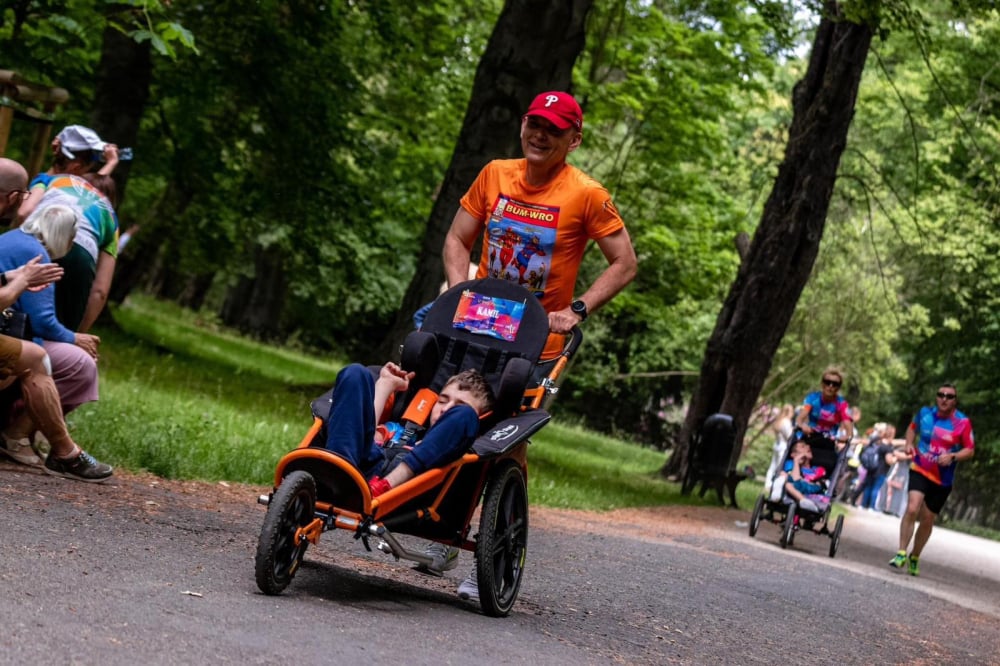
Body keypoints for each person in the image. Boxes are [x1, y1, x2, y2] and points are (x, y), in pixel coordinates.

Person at [436, 91, 638, 598]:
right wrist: (460, 290)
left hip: (535, 337)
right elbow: (458, 239)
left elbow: (625, 262)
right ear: (523, 124)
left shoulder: (587, 194)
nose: (540, 134)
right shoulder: (494, 175)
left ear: (574, 138)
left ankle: (488, 554)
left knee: (508, 438)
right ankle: (439, 523)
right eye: (534, 122)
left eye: (554, 127)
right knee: (435, 406)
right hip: (477, 321)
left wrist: (577, 310)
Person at [0, 200, 102, 425]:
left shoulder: (13, 237)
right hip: (9, 334)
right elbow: (42, 322)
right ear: (65, 236)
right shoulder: (38, 255)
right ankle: (17, 431)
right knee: (82, 365)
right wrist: (75, 338)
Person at [324, 363, 494, 497]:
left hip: (404, 489)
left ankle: (384, 486)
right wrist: (386, 384)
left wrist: (463, 415)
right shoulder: (401, 430)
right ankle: (337, 468)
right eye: (442, 401)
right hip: (357, 473)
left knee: (465, 415)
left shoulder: (458, 453)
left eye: (457, 407)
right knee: (355, 372)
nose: (445, 409)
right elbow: (362, 431)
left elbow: (462, 425)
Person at [889, 384, 974, 576]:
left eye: (949, 396)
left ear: (955, 400)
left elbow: (969, 449)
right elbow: (912, 428)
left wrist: (953, 456)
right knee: (912, 508)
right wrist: (909, 444)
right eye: (941, 395)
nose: (944, 399)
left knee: (927, 518)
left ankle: (915, 556)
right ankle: (901, 552)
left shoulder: (962, 422)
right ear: (936, 397)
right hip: (920, 467)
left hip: (942, 477)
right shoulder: (925, 413)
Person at [795, 366, 854, 446]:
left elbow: (848, 427)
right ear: (822, 384)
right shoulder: (812, 398)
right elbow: (800, 419)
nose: (830, 386)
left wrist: (847, 436)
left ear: (838, 387)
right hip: (808, 440)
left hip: (828, 444)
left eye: (835, 384)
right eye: (827, 382)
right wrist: (802, 426)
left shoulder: (842, 404)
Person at [775, 440, 826, 513]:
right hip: (795, 485)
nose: (808, 447)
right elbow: (795, 479)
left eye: (808, 447)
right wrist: (796, 461)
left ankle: (804, 501)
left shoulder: (818, 469)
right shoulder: (790, 463)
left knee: (788, 483)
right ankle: (777, 493)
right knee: (783, 475)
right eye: (803, 446)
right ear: (793, 454)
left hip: (810, 488)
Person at [859, 424, 897, 510]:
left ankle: (863, 505)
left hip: (871, 466)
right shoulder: (888, 447)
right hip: (881, 470)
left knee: (868, 486)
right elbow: (888, 460)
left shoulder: (877, 441)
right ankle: (871, 507)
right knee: (876, 488)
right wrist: (894, 459)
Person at [763, 403, 794, 493]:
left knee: (773, 465)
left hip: (777, 445)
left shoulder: (778, 421)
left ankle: (768, 484)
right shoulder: (786, 422)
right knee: (780, 467)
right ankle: (775, 485)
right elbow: (789, 436)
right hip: (783, 446)